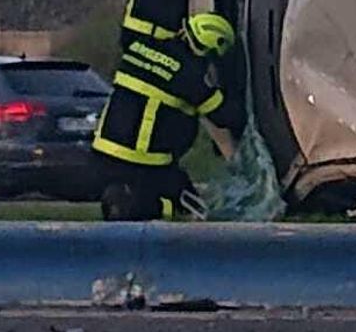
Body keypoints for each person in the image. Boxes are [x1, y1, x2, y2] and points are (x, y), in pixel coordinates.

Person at [92, 13, 246, 221]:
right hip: (143, 160)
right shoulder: (188, 74)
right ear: (210, 45)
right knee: (179, 209)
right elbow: (224, 116)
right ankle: (130, 206)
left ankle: (122, 202)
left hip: (105, 149)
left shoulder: (142, 46)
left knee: (183, 196)